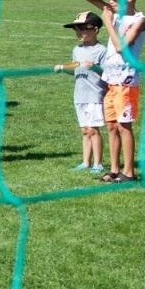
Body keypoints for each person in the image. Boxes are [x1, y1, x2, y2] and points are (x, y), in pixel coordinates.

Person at [85, 0, 145, 183]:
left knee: (124, 126)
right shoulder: (114, 13)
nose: (110, 0)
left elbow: (122, 46)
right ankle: (114, 170)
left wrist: (107, 21)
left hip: (126, 81)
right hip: (111, 80)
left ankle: (129, 172)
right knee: (112, 126)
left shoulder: (139, 20)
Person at [54, 11, 107, 175]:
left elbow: (107, 73)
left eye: (83, 29)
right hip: (80, 95)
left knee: (93, 129)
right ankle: (86, 162)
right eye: (77, 30)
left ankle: (98, 163)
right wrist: (63, 69)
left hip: (95, 95)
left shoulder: (102, 51)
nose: (79, 33)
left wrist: (95, 67)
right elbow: (75, 70)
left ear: (96, 30)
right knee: (85, 130)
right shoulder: (77, 49)